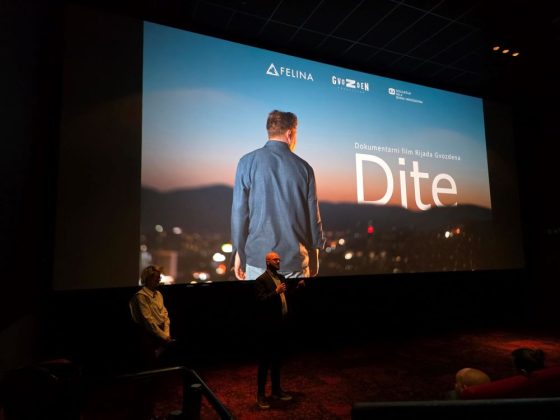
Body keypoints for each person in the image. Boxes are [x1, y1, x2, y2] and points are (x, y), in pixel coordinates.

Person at [231, 110, 325, 280]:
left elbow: (239, 215)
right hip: (295, 262)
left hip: (257, 261)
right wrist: (315, 255)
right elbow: (313, 219)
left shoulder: (246, 162)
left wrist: (239, 253)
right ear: (290, 133)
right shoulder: (305, 168)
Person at [254, 251, 305, 409]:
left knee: (277, 361)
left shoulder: (281, 278)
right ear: (267, 262)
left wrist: (298, 289)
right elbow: (261, 301)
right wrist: (275, 292)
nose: (278, 261)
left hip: (280, 326)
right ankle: (261, 395)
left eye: (279, 259)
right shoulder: (261, 280)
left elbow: (286, 298)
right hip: (268, 329)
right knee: (264, 363)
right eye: (275, 259)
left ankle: (276, 390)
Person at [129, 265, 173, 368]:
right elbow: (148, 320)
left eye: (159, 277)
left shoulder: (158, 294)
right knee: (151, 364)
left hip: (161, 333)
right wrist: (164, 336)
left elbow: (165, 315)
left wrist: (166, 334)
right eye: (156, 277)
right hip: (149, 335)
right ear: (148, 278)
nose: (159, 280)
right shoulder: (141, 296)